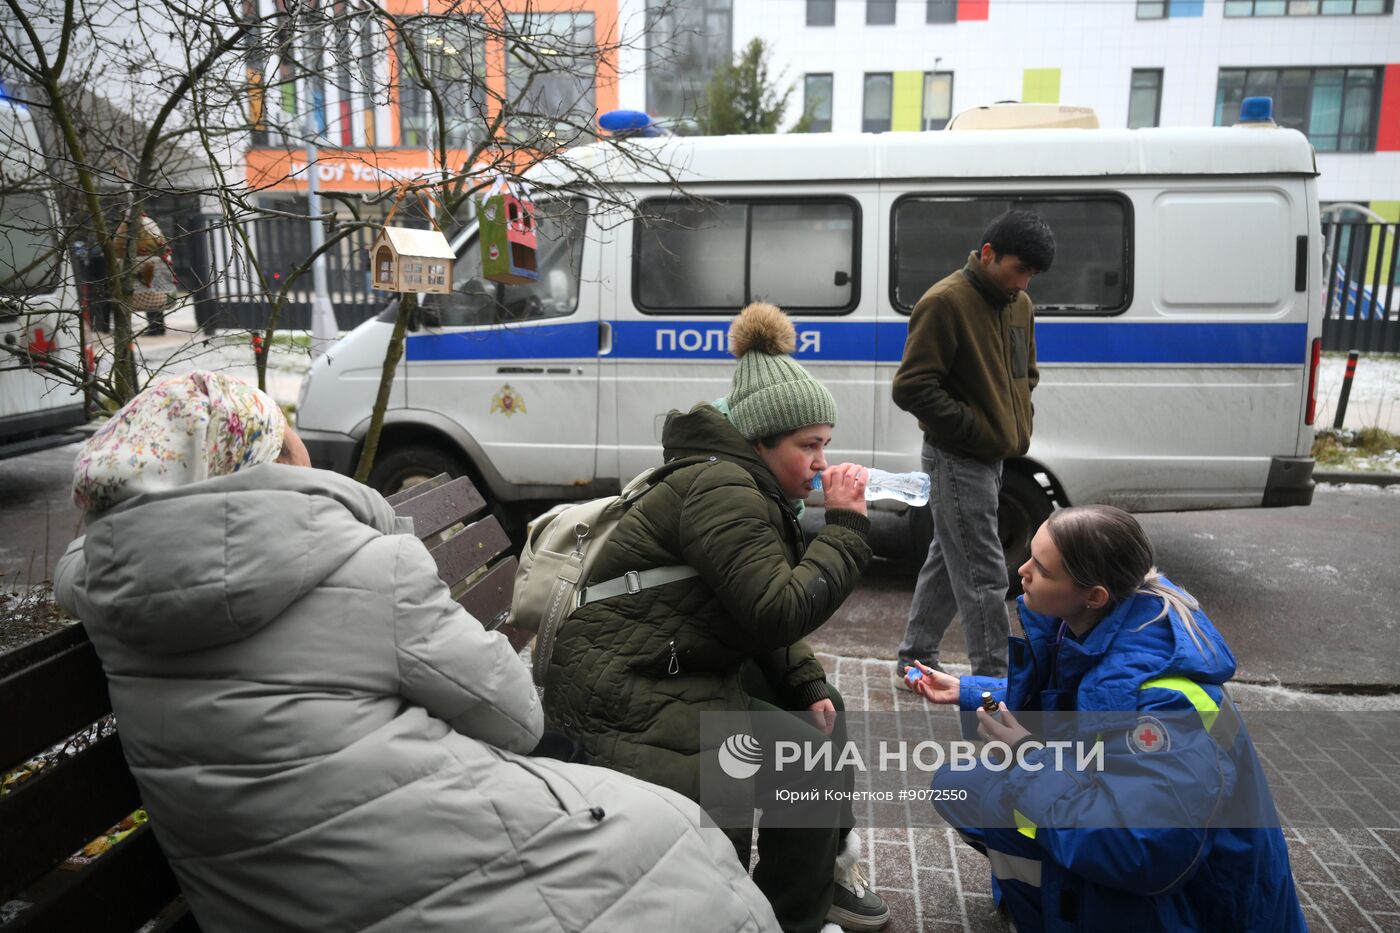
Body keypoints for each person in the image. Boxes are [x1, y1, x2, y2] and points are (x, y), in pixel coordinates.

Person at [54, 370, 781, 933]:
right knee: (679, 834)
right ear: (260, 467)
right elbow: (517, 714)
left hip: (255, 899)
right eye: (293, 447)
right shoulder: (365, 565)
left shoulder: (115, 599)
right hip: (411, 868)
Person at [541, 303, 890, 933]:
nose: (820, 462)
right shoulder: (722, 487)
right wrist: (846, 529)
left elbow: (749, 608)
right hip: (633, 689)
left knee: (823, 699)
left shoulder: (740, 479)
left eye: (825, 445)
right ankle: (786, 917)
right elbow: (777, 607)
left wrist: (804, 679)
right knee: (804, 756)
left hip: (669, 657)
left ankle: (811, 882)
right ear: (761, 441)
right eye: (808, 446)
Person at [907, 505, 1306, 932]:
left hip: (1200, 906)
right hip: (1162, 863)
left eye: (1041, 568)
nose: (1021, 570)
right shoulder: (1111, 624)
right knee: (964, 786)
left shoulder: (1170, 709)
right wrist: (971, 692)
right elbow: (1081, 708)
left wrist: (1026, 754)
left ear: (1093, 594)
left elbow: (1141, 853)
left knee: (1005, 803)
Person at [892, 209, 1055, 681]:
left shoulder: (1018, 304)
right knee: (986, 575)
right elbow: (912, 387)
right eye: (1019, 269)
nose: (1024, 283)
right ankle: (995, 686)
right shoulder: (944, 302)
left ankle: (914, 659)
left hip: (995, 456)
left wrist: (1009, 422)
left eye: (1032, 274)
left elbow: (1027, 374)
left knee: (949, 557)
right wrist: (976, 427)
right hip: (955, 457)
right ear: (987, 254)